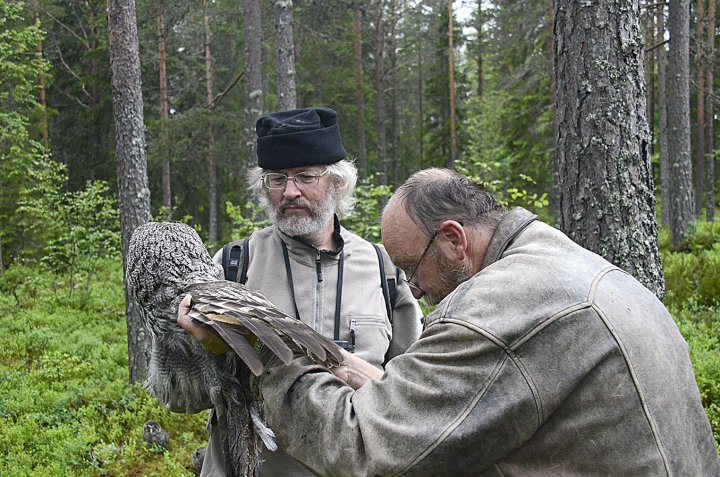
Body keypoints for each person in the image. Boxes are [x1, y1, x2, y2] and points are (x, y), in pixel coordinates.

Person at [180, 167, 720, 476]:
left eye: (412, 270)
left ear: (454, 239)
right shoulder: (569, 265)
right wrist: (341, 362)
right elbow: (429, 392)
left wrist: (266, 356)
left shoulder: (497, 311)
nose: (412, 289)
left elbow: (365, 444)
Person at [199, 107, 423, 476]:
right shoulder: (232, 266)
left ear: (337, 182)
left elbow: (411, 390)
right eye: (276, 179)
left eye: (305, 177)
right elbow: (181, 396)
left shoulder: (384, 270)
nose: (290, 191)